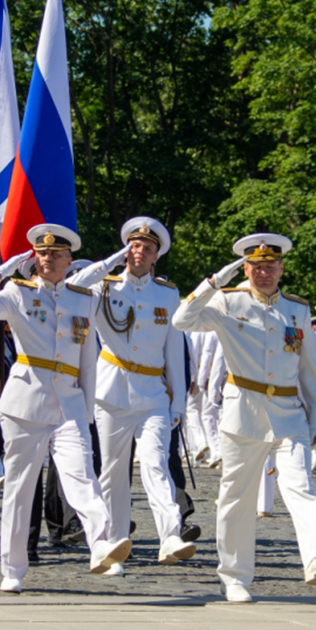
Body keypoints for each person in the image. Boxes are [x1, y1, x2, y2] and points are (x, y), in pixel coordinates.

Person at [172, 232, 316, 603]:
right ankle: (234, 576)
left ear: (282, 268)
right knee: (236, 496)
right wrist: (214, 281)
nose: (263, 273)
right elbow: (181, 320)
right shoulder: (226, 300)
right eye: (256, 267)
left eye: (271, 266)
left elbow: (307, 370)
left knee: (300, 484)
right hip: (243, 412)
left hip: (288, 413)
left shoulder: (297, 309)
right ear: (245, 268)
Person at [0, 223, 132, 594]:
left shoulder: (82, 299)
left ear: (68, 260)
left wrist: (87, 409)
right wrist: (0, 272)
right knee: (20, 490)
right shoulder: (17, 292)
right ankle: (12, 569)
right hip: (25, 404)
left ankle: (101, 543)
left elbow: (88, 360)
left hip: (69, 403)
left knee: (82, 476)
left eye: (55, 254)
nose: (47, 259)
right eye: (41, 254)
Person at [67, 216, 193, 573]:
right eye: (134, 246)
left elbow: (174, 353)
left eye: (147, 248)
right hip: (111, 392)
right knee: (113, 472)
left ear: (157, 257)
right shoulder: (103, 287)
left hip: (153, 393)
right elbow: (72, 286)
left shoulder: (167, 294)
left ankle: (170, 534)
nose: (140, 253)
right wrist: (108, 262)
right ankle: (112, 545)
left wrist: (178, 401)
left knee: (155, 463)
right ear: (126, 251)